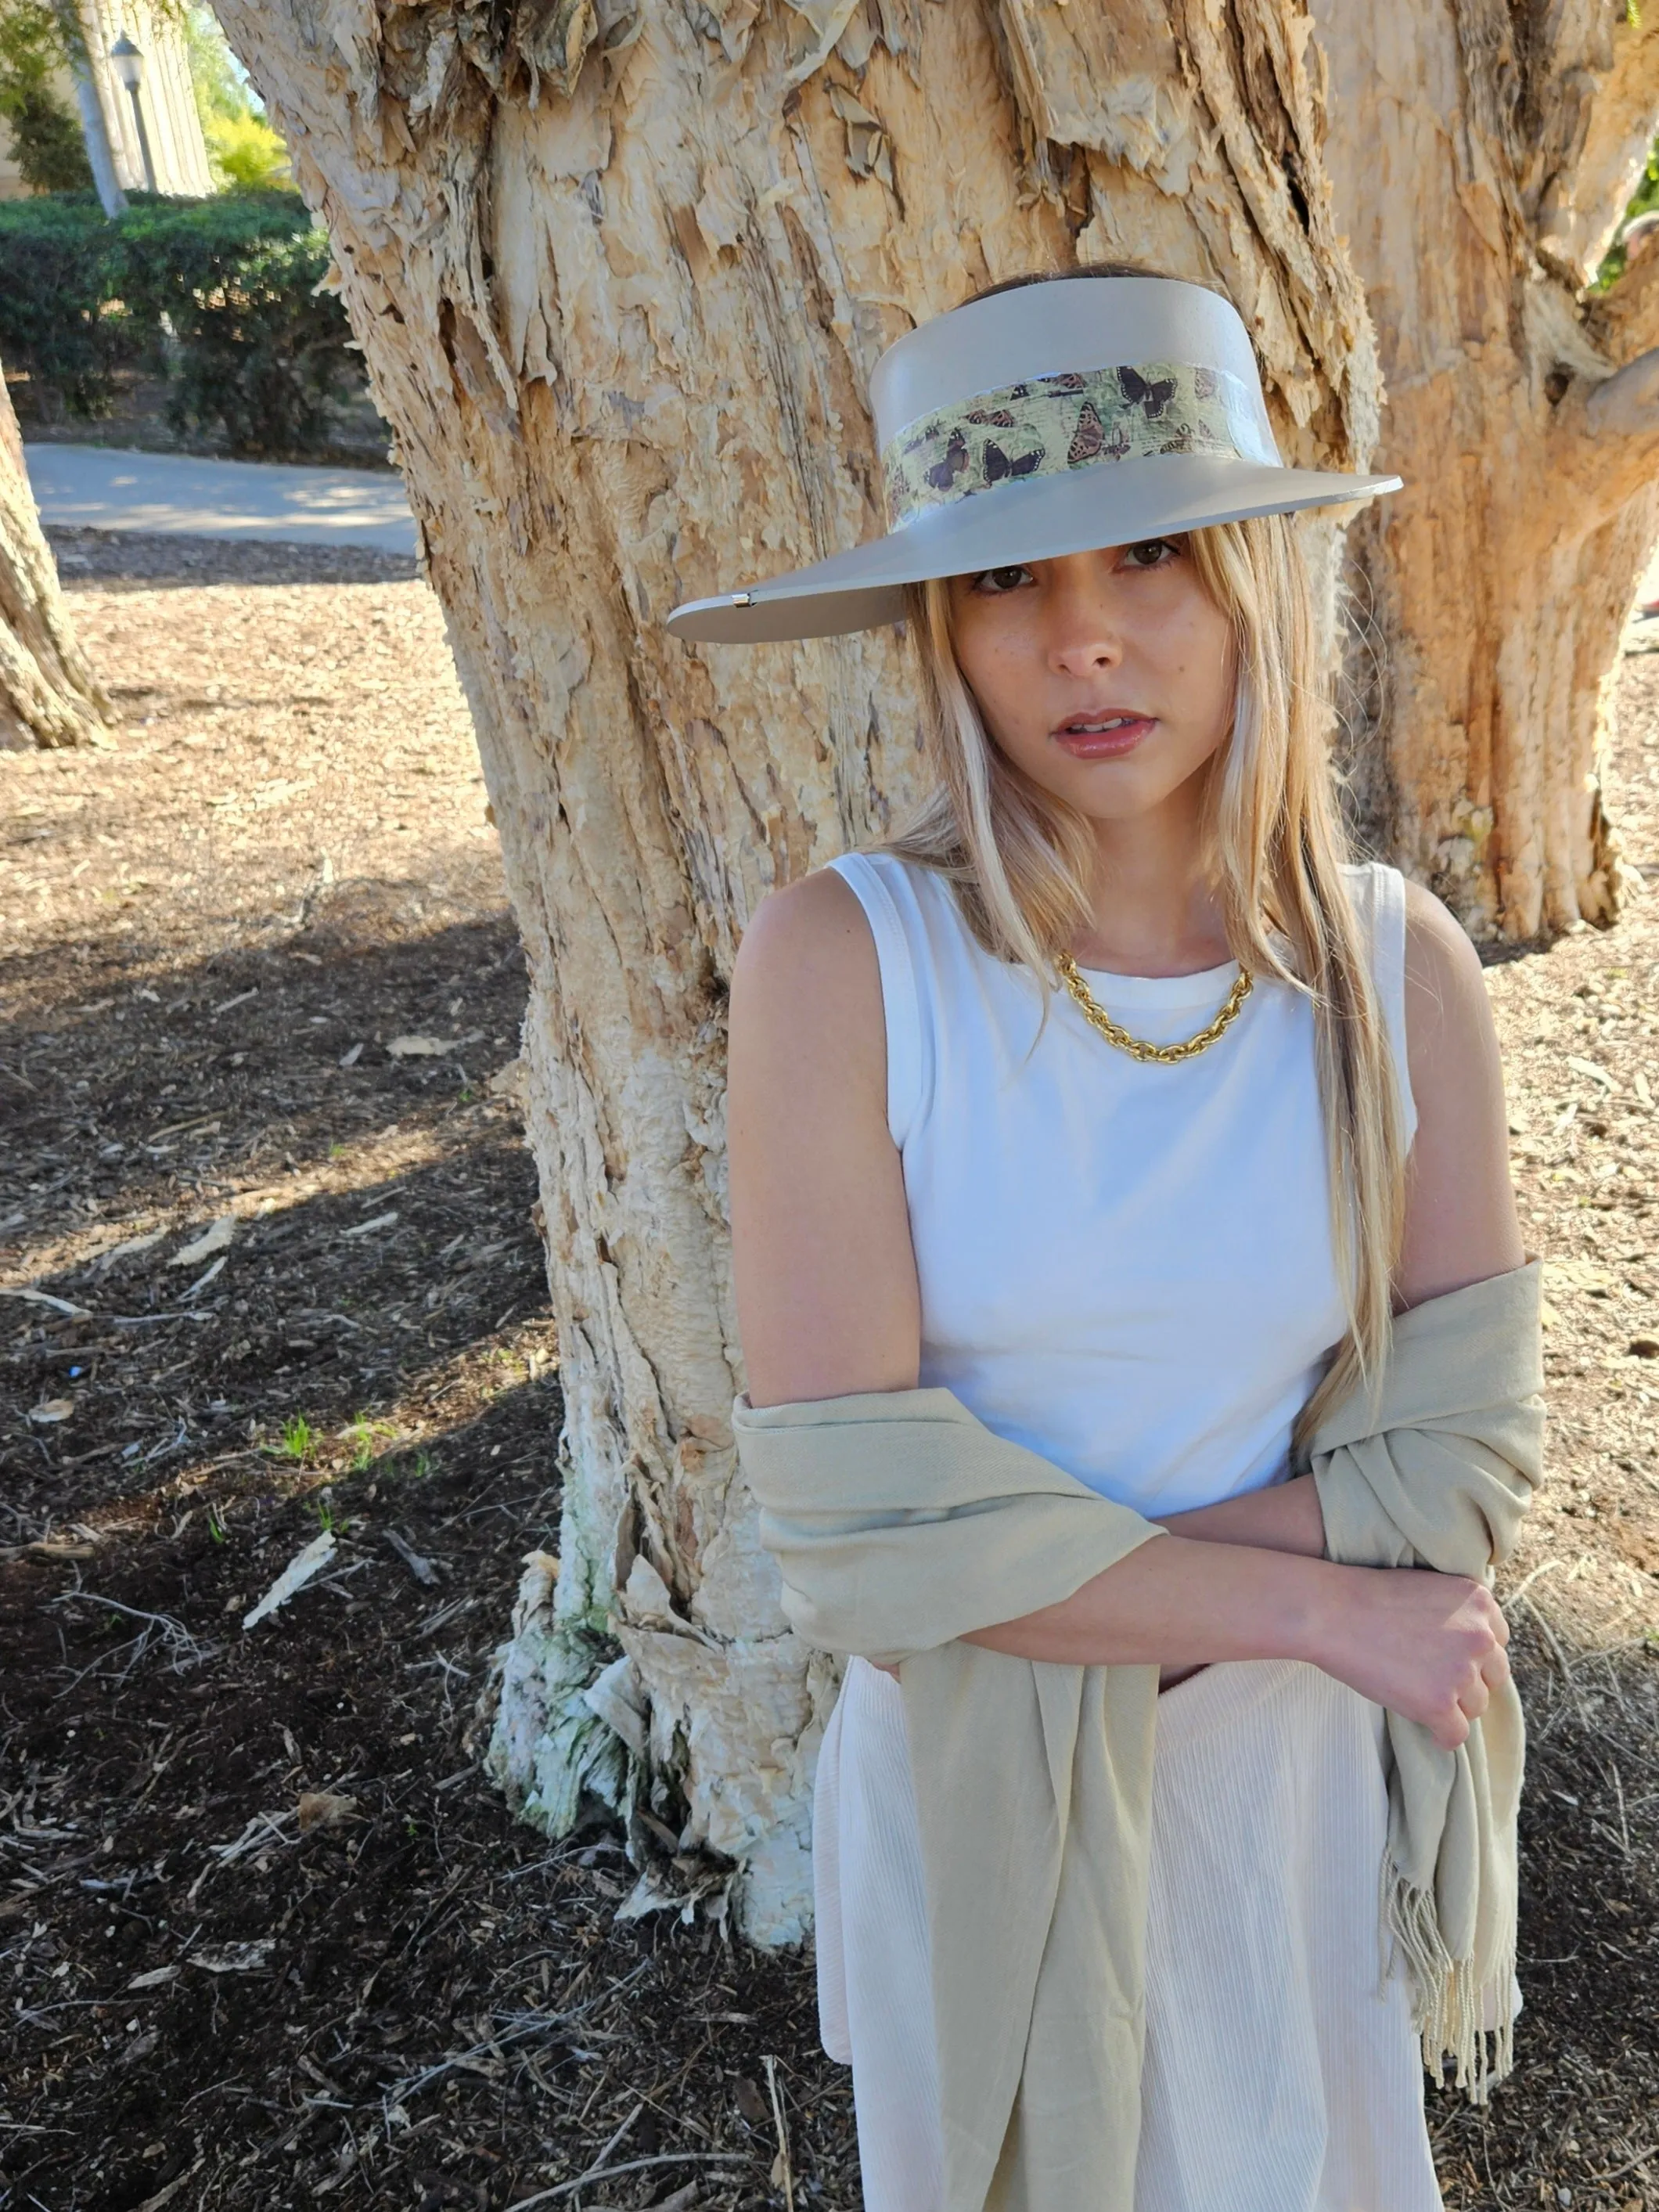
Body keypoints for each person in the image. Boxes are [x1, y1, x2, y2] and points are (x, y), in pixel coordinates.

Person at [671, 272, 1531, 2211]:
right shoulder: (847, 966)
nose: (1079, 638)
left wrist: (1037, 1570)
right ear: (939, 633)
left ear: (1250, 581)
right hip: (987, 1788)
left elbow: (1462, 1462)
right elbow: (854, 1528)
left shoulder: (1393, 972)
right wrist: (1316, 1595)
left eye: (1146, 553)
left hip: (1281, 1792)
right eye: (1003, 581)